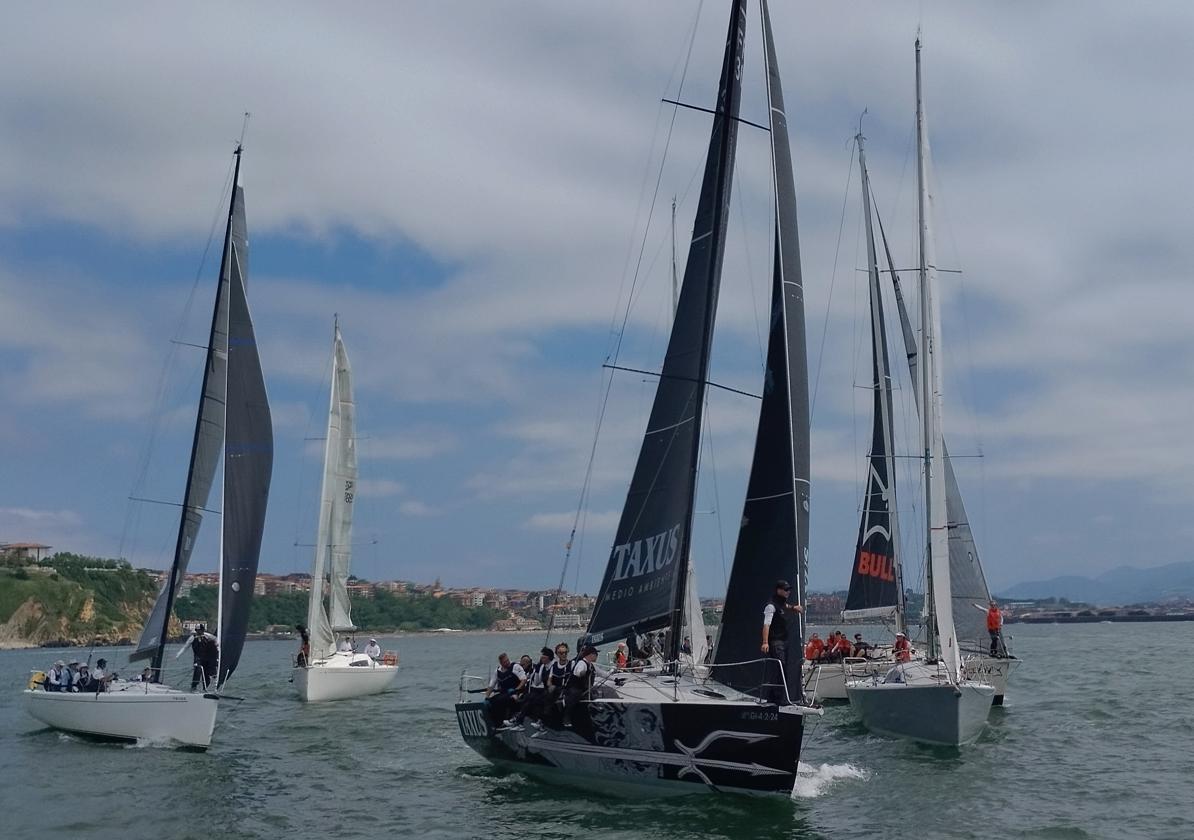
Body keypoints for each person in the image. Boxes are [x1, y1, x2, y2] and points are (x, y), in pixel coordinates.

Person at [761, 579, 804, 705]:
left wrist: (794, 608)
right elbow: (766, 625)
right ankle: (779, 699)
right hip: (775, 642)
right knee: (780, 668)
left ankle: (772, 697)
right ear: (779, 590)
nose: (788, 592)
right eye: (786, 590)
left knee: (783, 669)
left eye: (789, 589)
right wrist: (765, 642)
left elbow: (786, 606)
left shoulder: (782, 604)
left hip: (784, 641)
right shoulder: (771, 606)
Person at [562, 645, 615, 726]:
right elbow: (578, 672)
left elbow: (602, 673)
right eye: (596, 654)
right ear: (591, 655)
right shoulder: (581, 663)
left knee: (597, 694)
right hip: (577, 689)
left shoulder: (591, 665)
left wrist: (615, 679)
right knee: (575, 695)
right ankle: (566, 718)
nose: (597, 656)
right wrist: (582, 672)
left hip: (587, 689)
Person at [515, 647, 554, 726]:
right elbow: (536, 682)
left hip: (552, 690)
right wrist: (537, 669)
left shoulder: (553, 665)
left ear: (549, 657)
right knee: (529, 697)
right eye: (541, 657)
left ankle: (538, 720)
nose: (541, 658)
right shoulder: (542, 666)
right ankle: (520, 719)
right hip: (545, 690)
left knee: (534, 697)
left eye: (543, 657)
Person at [485, 653, 526, 726]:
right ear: (501, 663)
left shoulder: (515, 667)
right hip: (504, 693)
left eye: (507, 660)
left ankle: (506, 720)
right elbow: (491, 685)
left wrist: (516, 690)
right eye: (505, 662)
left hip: (515, 692)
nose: (507, 662)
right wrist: (486, 697)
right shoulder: (497, 671)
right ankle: (495, 723)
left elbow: (524, 680)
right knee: (492, 701)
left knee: (502, 701)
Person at [178, 624, 219, 690]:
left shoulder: (207, 636)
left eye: (200, 630)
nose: (199, 632)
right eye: (197, 630)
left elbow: (215, 639)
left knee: (206, 673)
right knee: (198, 670)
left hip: (206, 657)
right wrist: (178, 655)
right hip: (198, 657)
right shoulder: (193, 637)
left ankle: (205, 688)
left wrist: (216, 646)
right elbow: (185, 647)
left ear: (203, 630)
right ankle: (194, 687)